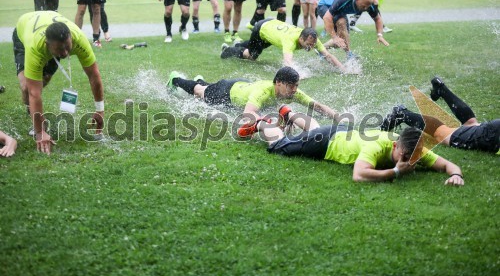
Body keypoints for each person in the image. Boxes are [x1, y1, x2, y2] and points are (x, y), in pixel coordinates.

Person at [239, 107, 465, 185]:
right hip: (327, 143)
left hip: (340, 132)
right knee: (280, 145)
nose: (409, 162)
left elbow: (448, 165)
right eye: (405, 157)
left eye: (413, 159)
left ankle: (289, 114)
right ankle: (265, 123)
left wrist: (457, 175)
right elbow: (358, 175)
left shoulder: (414, 148)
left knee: (313, 130)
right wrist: (395, 171)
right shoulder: (377, 147)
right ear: (395, 145)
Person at [13, 11, 105, 155]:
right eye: (59, 49)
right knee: (27, 88)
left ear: (70, 38)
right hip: (24, 28)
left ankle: (34, 112)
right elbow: (34, 93)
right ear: (47, 45)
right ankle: (32, 114)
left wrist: (100, 110)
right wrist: (40, 132)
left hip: (49, 28)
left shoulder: (78, 38)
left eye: (68, 47)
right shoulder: (35, 47)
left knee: (45, 79)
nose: (65, 53)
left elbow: (94, 75)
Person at [167, 66, 340, 122]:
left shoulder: (292, 92)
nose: (294, 90)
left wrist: (337, 116)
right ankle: (175, 80)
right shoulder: (263, 92)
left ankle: (201, 81)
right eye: (291, 86)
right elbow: (247, 113)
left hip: (241, 86)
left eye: (296, 86)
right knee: (199, 92)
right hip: (226, 92)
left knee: (203, 89)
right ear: (278, 83)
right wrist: (269, 122)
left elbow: (316, 106)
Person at [380, 77, 500, 154]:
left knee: (472, 124)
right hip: (493, 133)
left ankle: (441, 90)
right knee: (444, 135)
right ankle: (402, 114)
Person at [220, 18, 345, 72]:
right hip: (261, 29)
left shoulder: (312, 38)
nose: (310, 47)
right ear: (301, 38)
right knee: (251, 55)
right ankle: (227, 51)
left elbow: (327, 55)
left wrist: (343, 69)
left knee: (257, 46)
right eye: (308, 44)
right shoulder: (290, 40)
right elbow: (287, 61)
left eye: (312, 45)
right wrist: (298, 74)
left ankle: (238, 44)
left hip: (272, 26)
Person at [318, 0, 389, 59]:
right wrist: (334, 37)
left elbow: (377, 19)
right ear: (357, 0)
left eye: (367, 7)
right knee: (341, 24)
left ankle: (321, 49)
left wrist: (380, 35)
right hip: (325, 5)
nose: (365, 9)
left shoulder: (368, 3)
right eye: (363, 6)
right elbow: (327, 17)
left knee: (342, 40)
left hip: (339, 10)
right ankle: (349, 55)